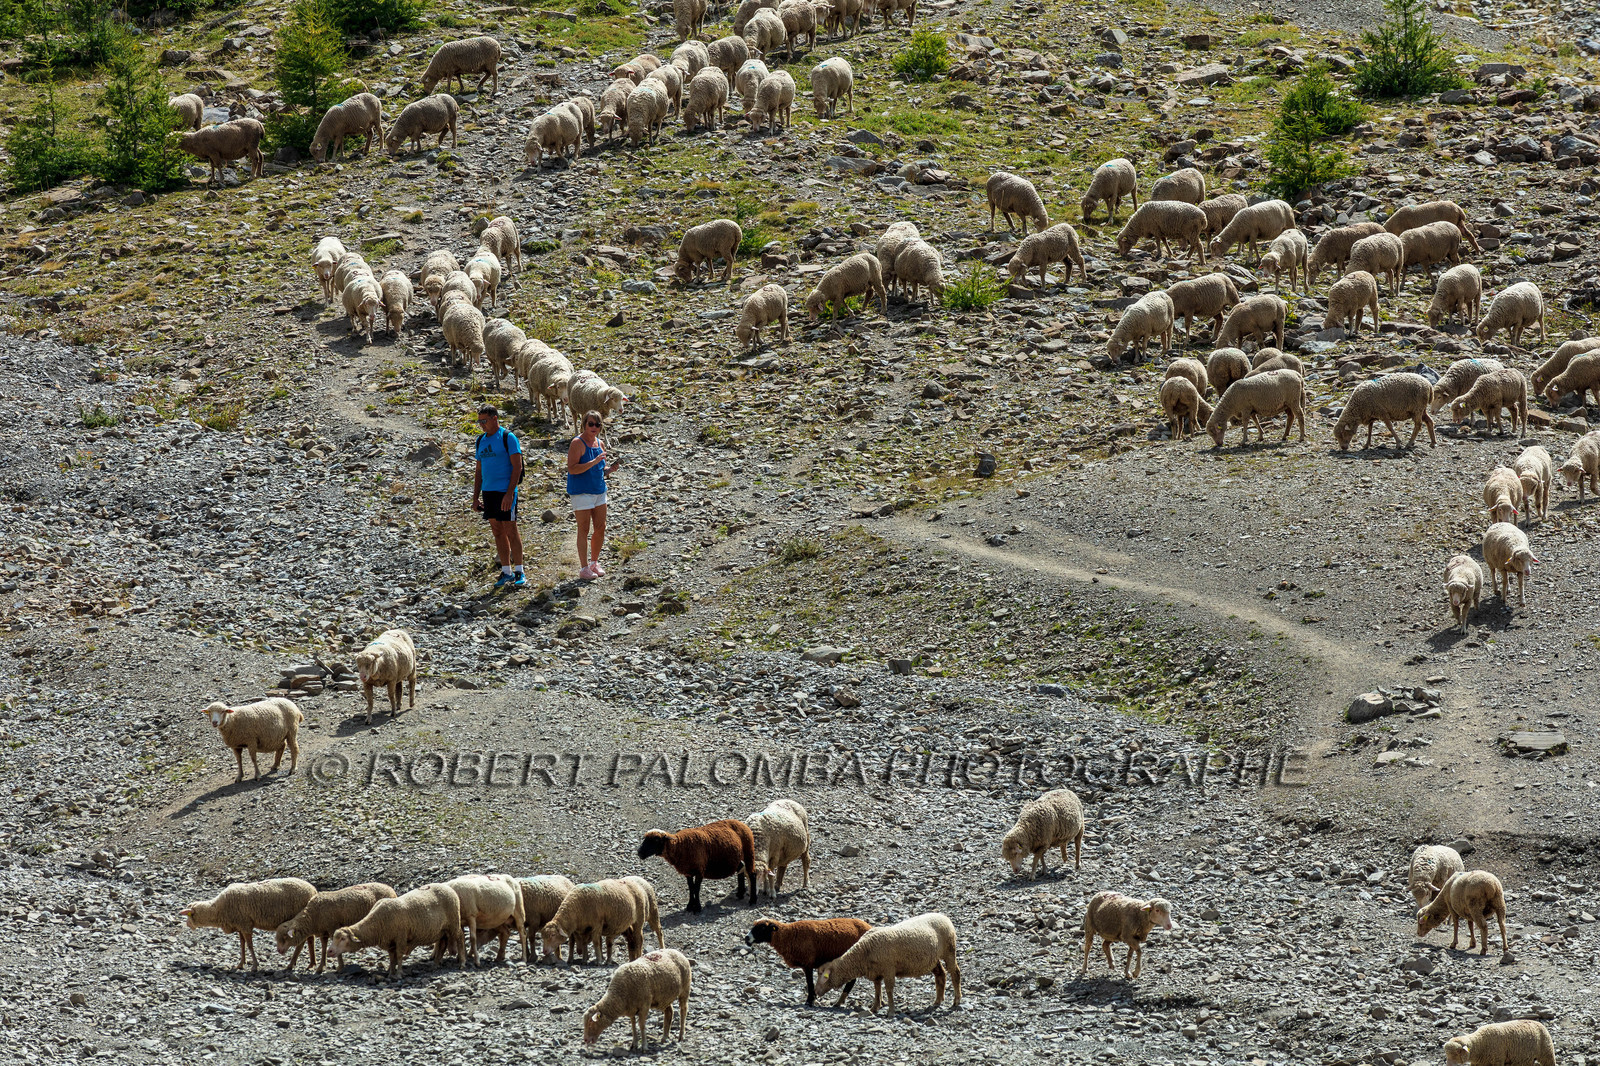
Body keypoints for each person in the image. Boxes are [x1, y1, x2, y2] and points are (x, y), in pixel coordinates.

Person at [471, 404, 526, 589]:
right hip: (488, 491)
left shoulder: (507, 437)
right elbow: (479, 471)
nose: (481, 425)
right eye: (479, 421)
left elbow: (517, 467)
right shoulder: (481, 440)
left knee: (511, 529)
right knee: (497, 531)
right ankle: (506, 571)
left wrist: (510, 493)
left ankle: (519, 570)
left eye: (484, 421)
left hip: (505, 491)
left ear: (495, 418)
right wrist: (475, 497)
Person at [567, 410, 620, 581]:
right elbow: (572, 468)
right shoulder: (577, 443)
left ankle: (594, 562)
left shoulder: (600, 443)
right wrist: (594, 462)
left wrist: (609, 470)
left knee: (601, 526)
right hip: (581, 492)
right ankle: (583, 568)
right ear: (584, 424)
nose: (594, 427)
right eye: (591, 424)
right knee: (583, 528)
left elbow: (599, 470)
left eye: (598, 424)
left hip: (599, 490)